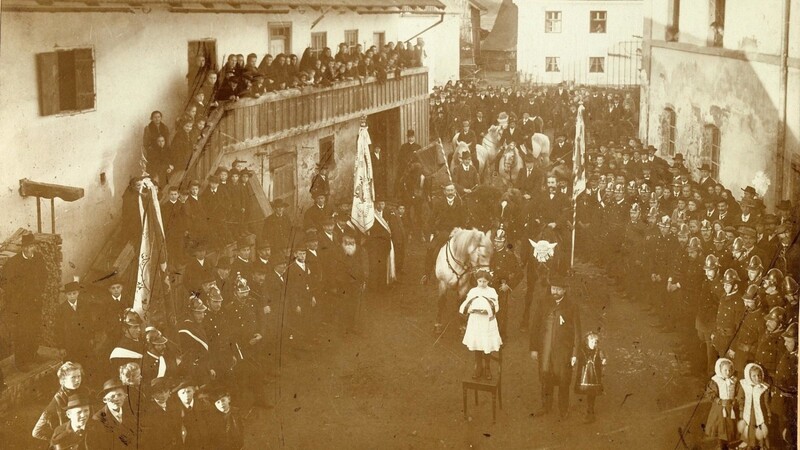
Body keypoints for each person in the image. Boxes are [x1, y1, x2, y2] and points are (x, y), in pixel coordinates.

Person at [529, 276, 581, 419]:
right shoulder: (544, 303)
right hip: (545, 349)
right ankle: (546, 406)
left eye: (558, 289)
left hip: (563, 351)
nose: (555, 291)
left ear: (564, 290)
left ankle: (563, 409)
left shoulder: (571, 306)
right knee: (546, 377)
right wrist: (533, 348)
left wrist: (575, 354)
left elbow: (577, 331)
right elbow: (535, 326)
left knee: (563, 379)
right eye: (553, 288)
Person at [0, 232, 48, 370]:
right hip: (20, 306)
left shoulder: (39, 258)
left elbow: (45, 275)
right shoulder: (13, 262)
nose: (29, 249)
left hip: (35, 302)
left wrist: (40, 291)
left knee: (34, 328)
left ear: (34, 247)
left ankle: (33, 354)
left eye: (31, 246)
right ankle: (21, 362)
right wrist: (17, 296)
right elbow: (4, 282)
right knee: (22, 332)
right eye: (26, 247)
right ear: (22, 248)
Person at [459, 269, 502, 380]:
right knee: (478, 344)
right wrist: (470, 310)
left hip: (487, 322)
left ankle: (487, 367)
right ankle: (478, 367)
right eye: (480, 281)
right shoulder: (473, 291)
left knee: (486, 344)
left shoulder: (492, 291)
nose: (482, 284)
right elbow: (467, 303)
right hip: (476, 321)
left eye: (484, 281)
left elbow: (496, 306)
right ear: (476, 281)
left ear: (488, 281)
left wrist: (487, 311)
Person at [32, 361, 87, 442]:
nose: (77, 380)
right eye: (73, 377)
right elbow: (37, 432)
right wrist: (58, 439)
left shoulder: (82, 391)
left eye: (79, 376)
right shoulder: (57, 401)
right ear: (63, 380)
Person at [55, 281, 96, 371]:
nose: (72, 296)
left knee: (85, 362)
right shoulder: (62, 309)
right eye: (69, 294)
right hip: (69, 343)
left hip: (84, 341)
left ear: (78, 293)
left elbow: (90, 323)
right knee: (71, 365)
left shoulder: (84, 305)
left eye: (74, 293)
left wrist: (91, 337)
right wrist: (61, 347)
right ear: (66, 295)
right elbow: (58, 329)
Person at [93, 378, 138, 449]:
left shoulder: (131, 412)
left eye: (119, 395)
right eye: (112, 396)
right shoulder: (98, 419)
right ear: (105, 400)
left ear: (125, 396)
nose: (116, 399)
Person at [573, 331, 607, 424]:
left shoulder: (598, 351)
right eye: (591, 342)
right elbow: (577, 357)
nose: (593, 344)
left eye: (595, 342)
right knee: (588, 391)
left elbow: (603, 357)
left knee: (592, 393)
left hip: (594, 377)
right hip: (585, 376)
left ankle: (590, 410)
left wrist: (603, 360)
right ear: (587, 342)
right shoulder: (582, 351)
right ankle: (589, 409)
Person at [139, 377, 182, 450]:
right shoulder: (147, 411)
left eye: (166, 391)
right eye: (159, 392)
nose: (164, 395)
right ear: (152, 394)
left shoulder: (174, 407)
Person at [705, 357, 739, 448]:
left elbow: (738, 392)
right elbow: (710, 394)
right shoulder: (716, 381)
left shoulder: (734, 381)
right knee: (721, 427)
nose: (728, 372)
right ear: (720, 370)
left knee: (731, 427)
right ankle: (721, 445)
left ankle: (730, 444)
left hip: (731, 408)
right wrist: (718, 400)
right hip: (720, 409)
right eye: (725, 370)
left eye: (730, 369)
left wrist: (735, 399)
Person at [737, 363, 771, 449]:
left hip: (760, 411)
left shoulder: (764, 387)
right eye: (754, 376)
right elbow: (741, 398)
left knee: (761, 426)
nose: (757, 378)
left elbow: (767, 402)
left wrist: (768, 413)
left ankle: (761, 444)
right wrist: (741, 409)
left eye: (759, 375)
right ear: (749, 376)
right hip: (750, 411)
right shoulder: (745, 386)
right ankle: (751, 443)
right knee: (750, 427)